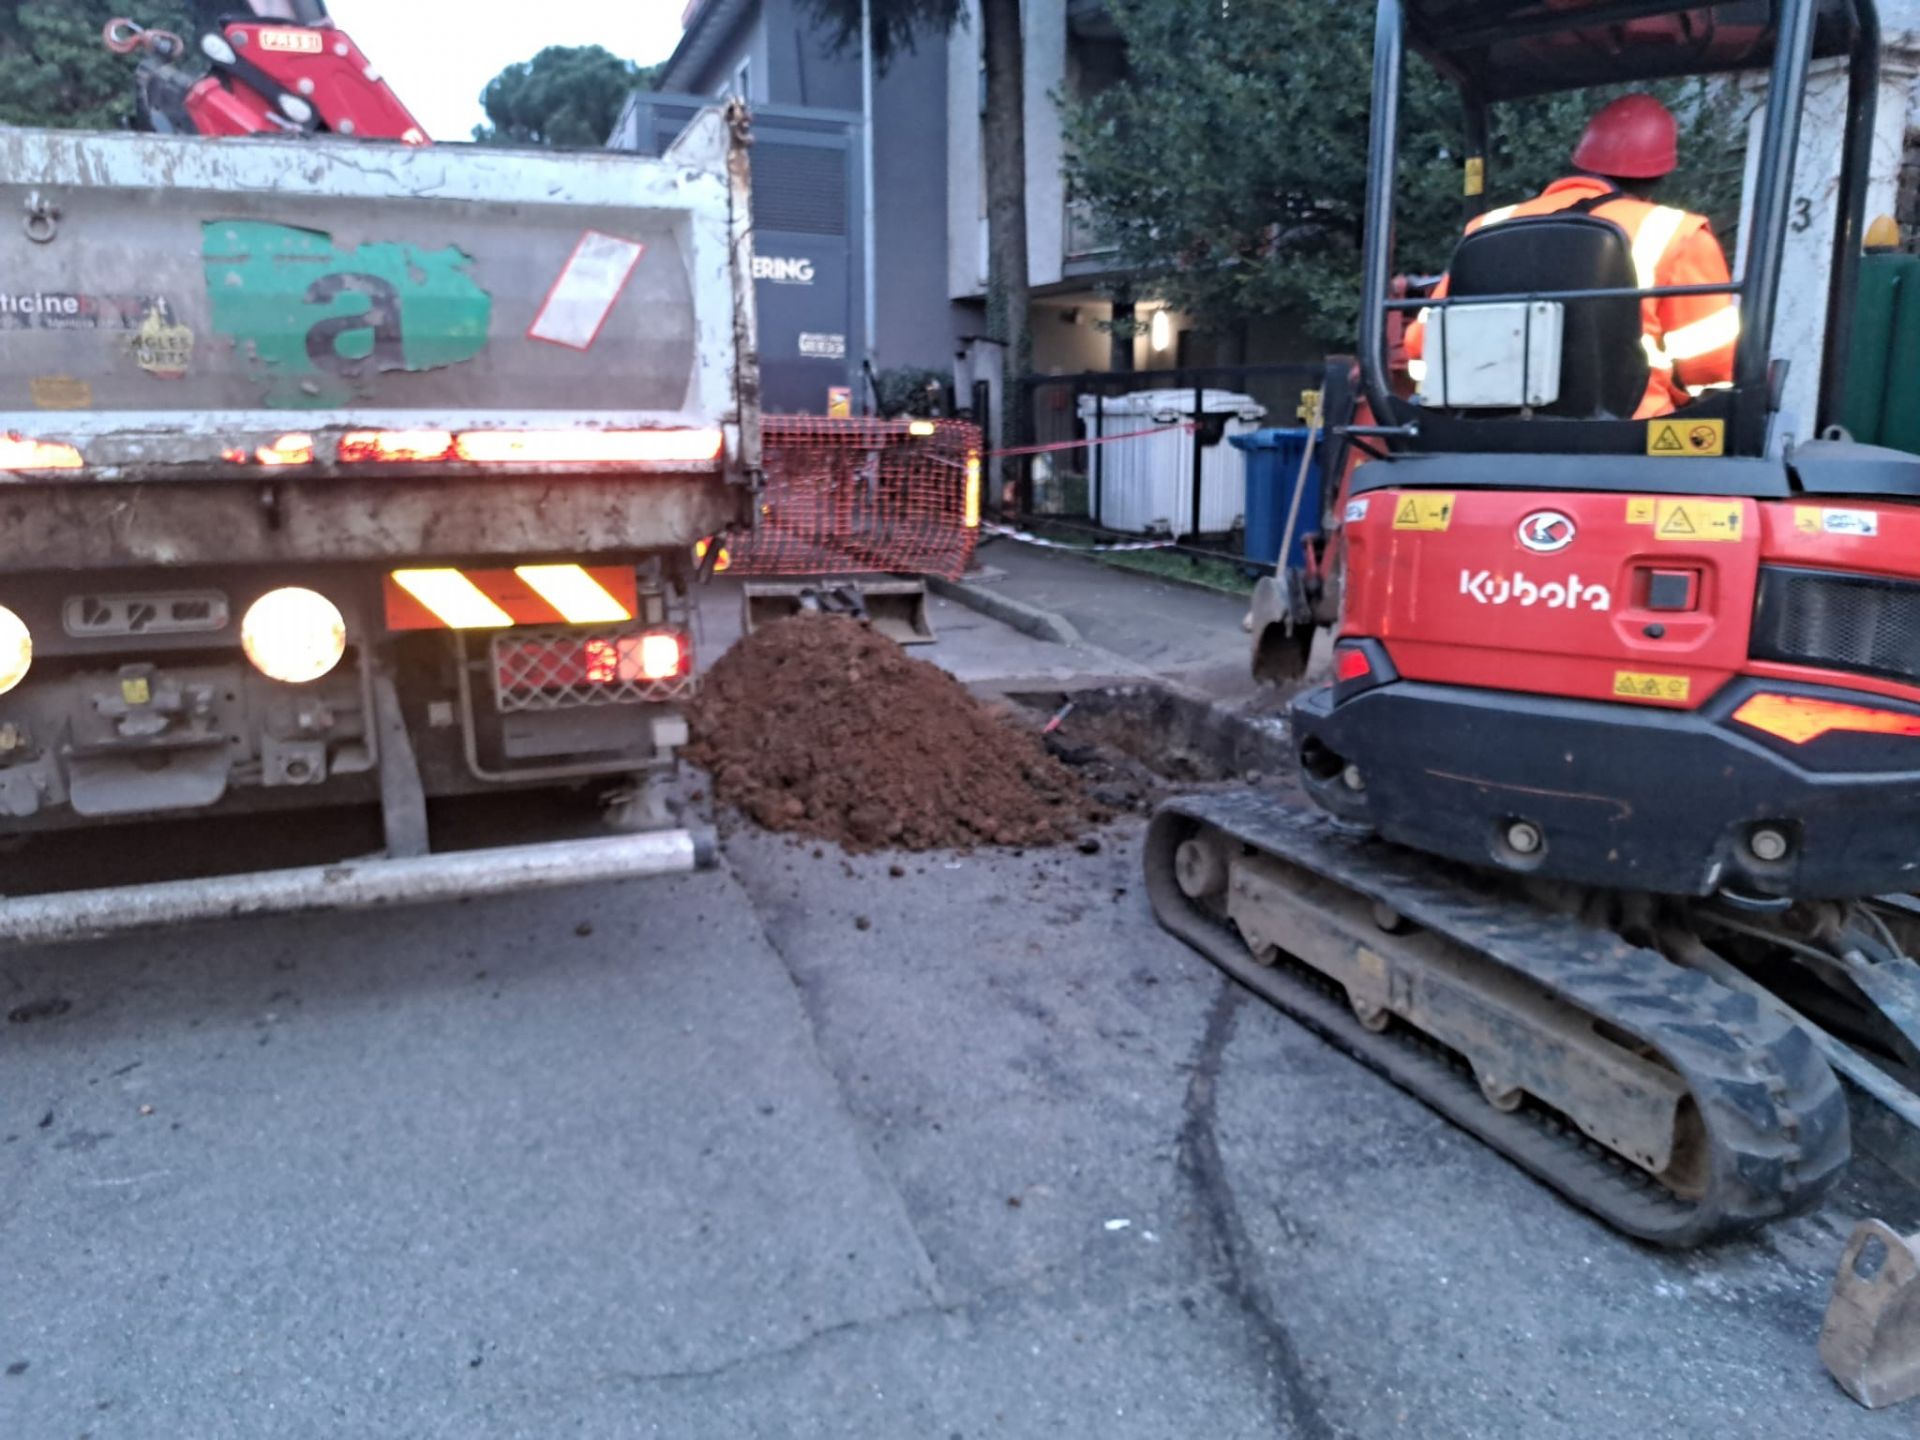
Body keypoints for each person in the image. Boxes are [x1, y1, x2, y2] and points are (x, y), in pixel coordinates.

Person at [1405, 93, 1739, 418]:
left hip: (1484, 432)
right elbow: (1711, 365)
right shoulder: (1678, 233)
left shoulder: (1488, 226)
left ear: (1582, 160)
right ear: (1660, 173)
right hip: (1631, 437)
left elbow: (1425, 343)